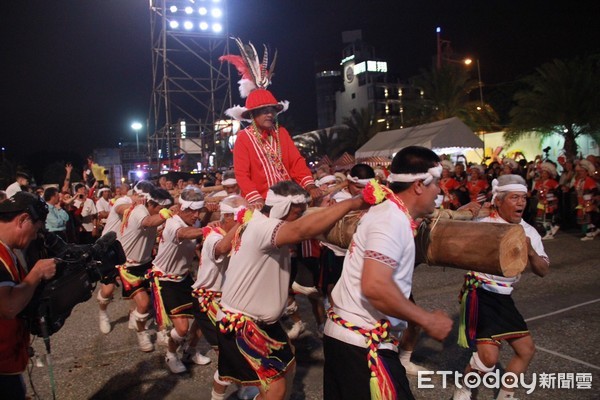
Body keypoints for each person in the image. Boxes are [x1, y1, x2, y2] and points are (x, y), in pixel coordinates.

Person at [216, 180, 368, 400]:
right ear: (281, 209)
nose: (300, 217)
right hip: (243, 324)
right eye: (298, 213)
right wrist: (353, 203)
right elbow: (302, 230)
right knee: (275, 389)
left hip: (262, 322)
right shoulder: (263, 227)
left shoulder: (258, 221)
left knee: (288, 367)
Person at [323, 146, 453, 400]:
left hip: (350, 341)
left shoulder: (390, 213)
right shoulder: (391, 220)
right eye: (436, 183)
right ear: (418, 185)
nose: (439, 191)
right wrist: (426, 320)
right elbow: (374, 287)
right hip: (360, 348)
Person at [453, 174, 550, 400]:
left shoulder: (528, 231)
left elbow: (543, 270)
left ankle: (505, 395)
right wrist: (470, 208)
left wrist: (531, 252)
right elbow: (450, 225)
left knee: (526, 351)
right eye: (514, 197)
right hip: (480, 292)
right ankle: (463, 391)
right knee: (488, 358)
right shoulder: (484, 222)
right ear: (498, 200)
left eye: (523, 198)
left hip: (504, 297)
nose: (520, 203)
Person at [220, 39, 320, 208]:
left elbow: (296, 162)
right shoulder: (244, 138)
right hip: (261, 201)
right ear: (252, 114)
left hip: (290, 197)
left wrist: (309, 184)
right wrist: (256, 199)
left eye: (271, 110)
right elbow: (242, 175)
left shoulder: (282, 133)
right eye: (263, 110)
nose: (269, 114)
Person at [148, 186, 212, 373]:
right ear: (182, 208)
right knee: (182, 328)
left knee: (203, 313)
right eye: (193, 211)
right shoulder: (172, 223)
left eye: (199, 211)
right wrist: (209, 228)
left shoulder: (193, 221)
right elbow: (184, 234)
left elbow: (198, 229)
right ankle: (171, 354)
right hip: (166, 280)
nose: (196, 215)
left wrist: (207, 217)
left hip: (184, 277)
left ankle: (190, 351)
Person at [0, 192, 57, 399]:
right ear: (23, 220)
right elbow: (8, 306)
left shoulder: (7, 250)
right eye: (36, 228)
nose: (35, 236)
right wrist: (37, 273)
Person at [117, 187, 173, 352]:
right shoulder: (139, 211)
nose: (166, 212)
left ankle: (162, 331)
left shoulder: (150, 210)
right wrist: (167, 214)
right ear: (155, 205)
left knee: (159, 300)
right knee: (143, 304)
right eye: (164, 209)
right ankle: (141, 333)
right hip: (128, 266)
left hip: (146, 264)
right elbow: (148, 223)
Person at [96, 181, 155, 335]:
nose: (143, 200)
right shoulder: (124, 201)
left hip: (128, 252)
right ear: (134, 194)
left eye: (145, 198)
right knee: (108, 289)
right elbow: (122, 210)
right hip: (110, 249)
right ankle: (103, 313)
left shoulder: (145, 208)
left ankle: (132, 317)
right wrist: (136, 206)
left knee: (135, 288)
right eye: (140, 196)